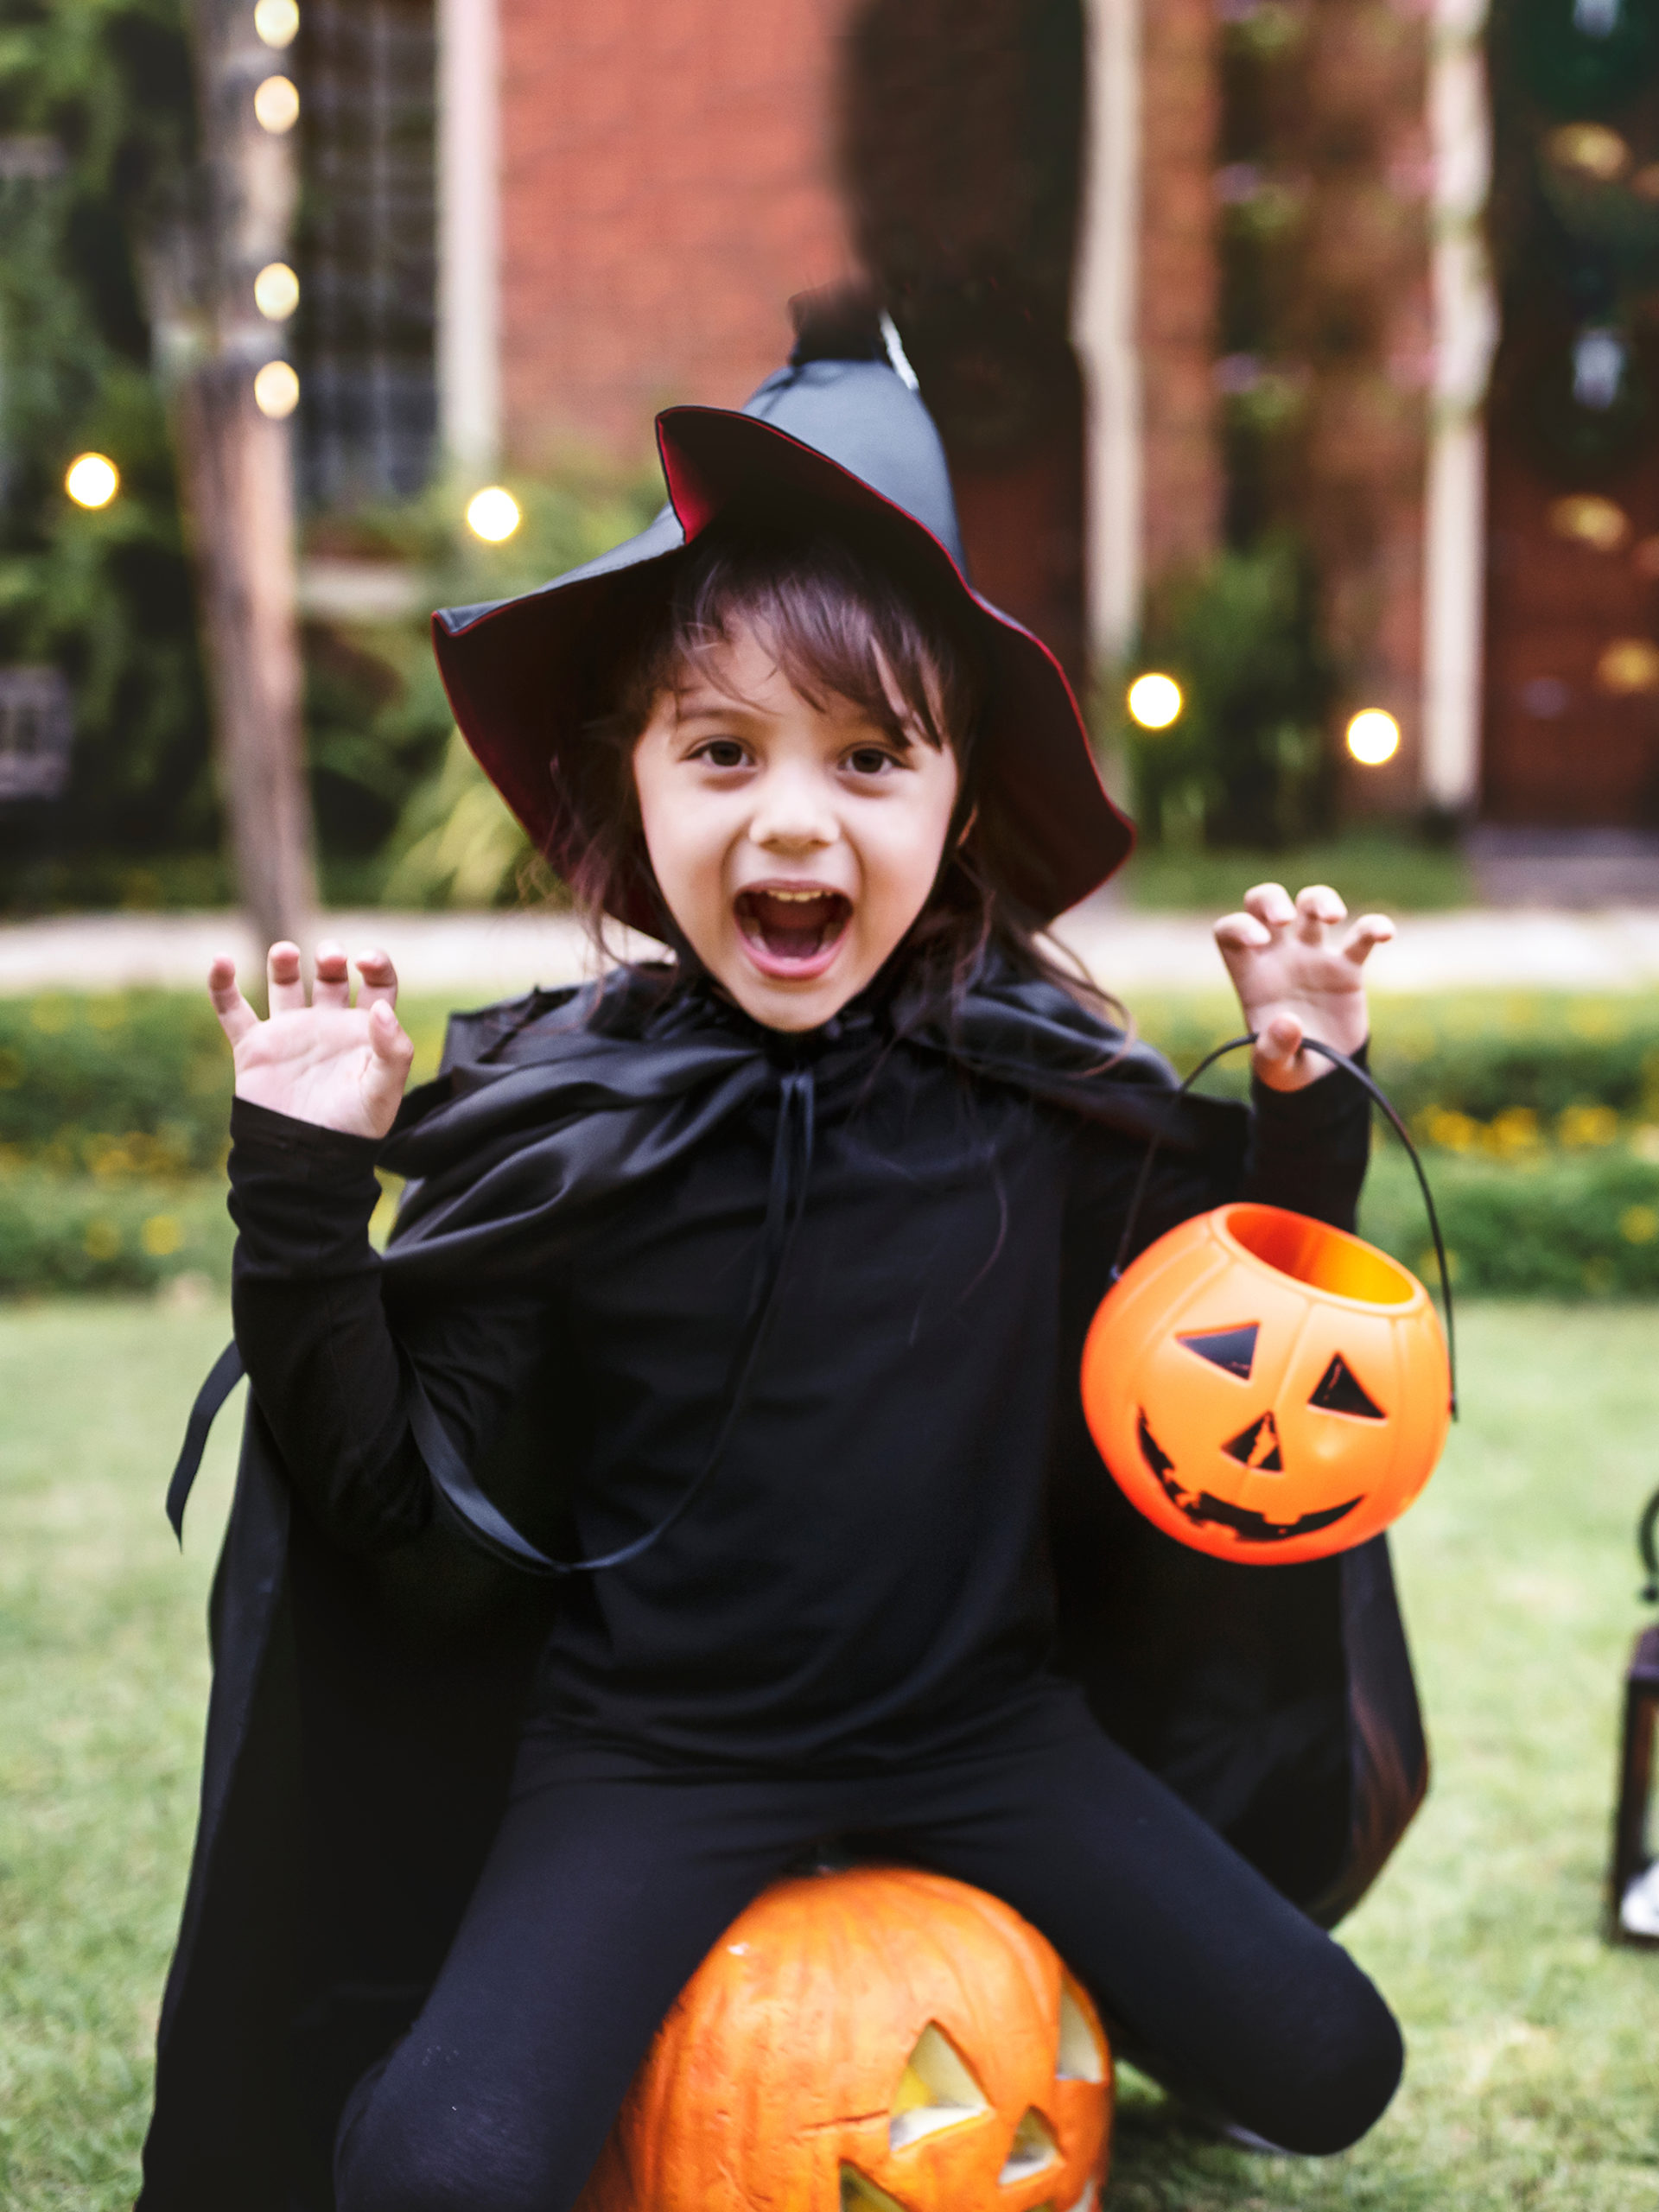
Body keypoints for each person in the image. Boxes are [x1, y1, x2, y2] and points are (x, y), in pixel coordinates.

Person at [139, 302, 1421, 2212]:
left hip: (982, 1730)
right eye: (722, 749)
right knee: (432, 2176)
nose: (792, 816)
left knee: (1333, 2065)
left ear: (956, 797)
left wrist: (1309, 1099)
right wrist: (307, 1190)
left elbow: (1236, 1381)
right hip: (649, 1757)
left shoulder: (1042, 1093)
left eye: (868, 757)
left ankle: (1035, 1942)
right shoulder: (566, 1120)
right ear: (633, 783)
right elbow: (383, 1508)